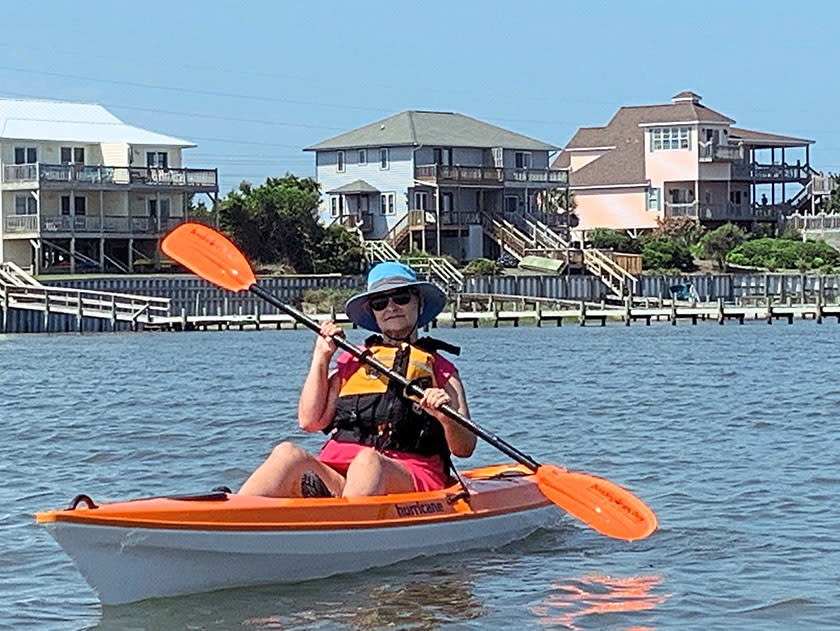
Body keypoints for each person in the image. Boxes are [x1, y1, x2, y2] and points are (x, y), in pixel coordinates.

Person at [238, 262, 475, 498]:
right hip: (338, 473)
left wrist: (445, 418)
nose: (391, 307)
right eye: (380, 303)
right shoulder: (353, 360)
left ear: (418, 302)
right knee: (286, 453)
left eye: (401, 298)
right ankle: (232, 517)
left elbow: (465, 448)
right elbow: (309, 421)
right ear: (373, 312)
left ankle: (340, 527)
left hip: (409, 475)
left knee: (368, 462)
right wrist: (321, 356)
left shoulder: (441, 369)